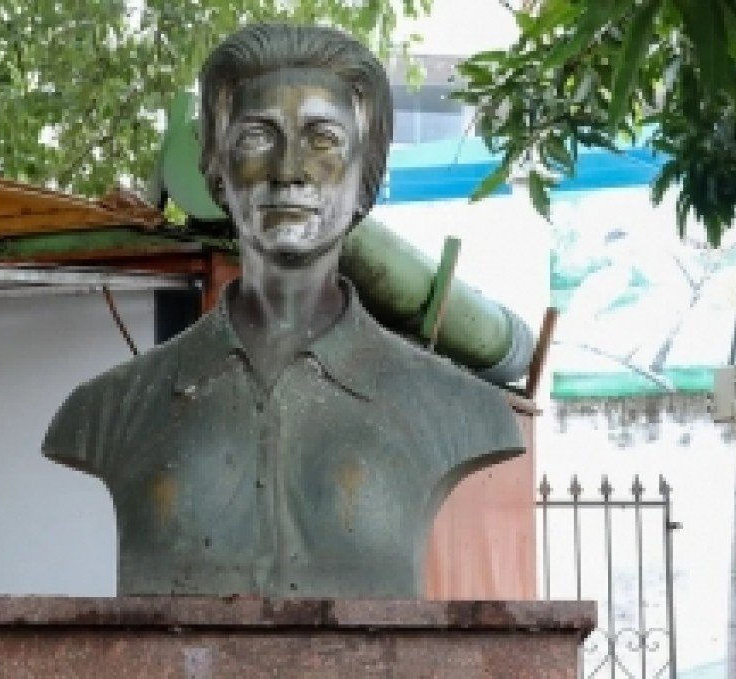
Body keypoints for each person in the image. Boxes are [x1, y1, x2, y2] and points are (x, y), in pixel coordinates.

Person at [42, 23, 522, 598]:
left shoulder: (456, 409)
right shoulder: (111, 409)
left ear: (365, 173)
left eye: (323, 140)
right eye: (256, 137)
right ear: (216, 170)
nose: (288, 169)